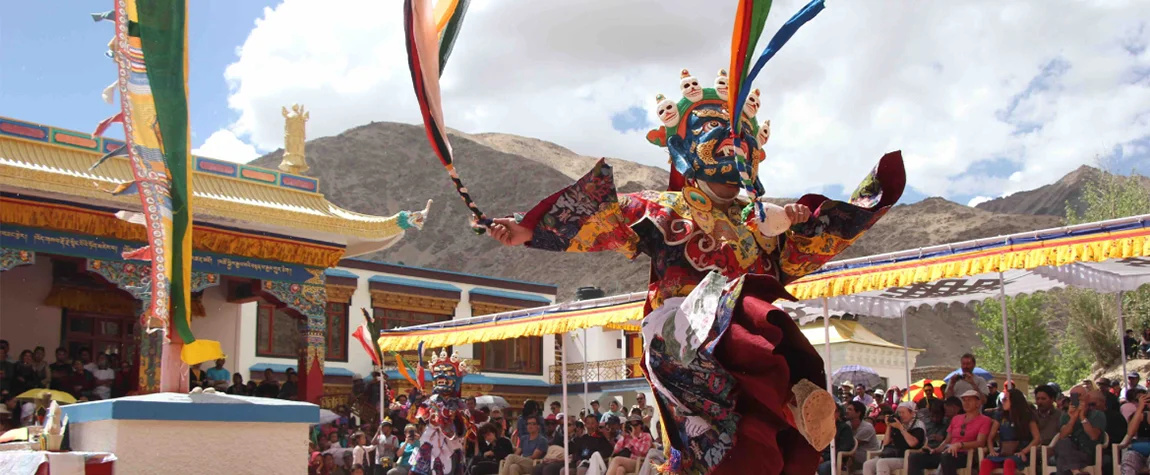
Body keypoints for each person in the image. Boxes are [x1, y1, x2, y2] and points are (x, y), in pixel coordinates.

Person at [481, 54, 906, 475]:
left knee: (749, 434)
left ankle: (793, 402)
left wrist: (805, 219)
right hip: (679, 339)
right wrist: (526, 229)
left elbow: (799, 253)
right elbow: (605, 219)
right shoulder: (664, 210)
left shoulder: (758, 222)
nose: (731, 152)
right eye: (715, 136)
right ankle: (785, 395)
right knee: (735, 308)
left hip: (738, 348)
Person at [907, 390, 992, 475]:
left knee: (947, 456)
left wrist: (959, 445)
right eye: (964, 400)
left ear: (978, 403)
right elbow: (947, 440)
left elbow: (980, 442)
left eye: (969, 400)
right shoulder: (956, 418)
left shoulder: (985, 420)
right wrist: (935, 450)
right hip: (948, 452)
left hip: (965, 454)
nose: (966, 403)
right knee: (914, 457)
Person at [980, 389, 1041, 475]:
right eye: (1002, 399)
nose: (1002, 402)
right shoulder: (1001, 415)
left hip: (1021, 452)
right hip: (1003, 452)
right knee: (985, 462)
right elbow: (990, 437)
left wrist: (1024, 451)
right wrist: (991, 450)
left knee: (1009, 462)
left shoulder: (1028, 416)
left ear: (1014, 400)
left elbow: (1037, 438)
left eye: (1005, 399)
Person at [1053, 390, 1107, 475]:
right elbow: (1063, 436)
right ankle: (1076, 471)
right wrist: (1073, 418)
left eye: (1080, 395)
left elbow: (1093, 436)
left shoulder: (1097, 414)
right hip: (1069, 450)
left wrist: (1082, 417)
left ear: (1087, 398)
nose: (1078, 398)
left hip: (1087, 451)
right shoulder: (1066, 416)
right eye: (1074, 396)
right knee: (1063, 442)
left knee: (1061, 461)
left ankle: (1075, 471)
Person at [863, 402, 925, 475]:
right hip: (894, 456)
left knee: (882, 463)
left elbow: (912, 443)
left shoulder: (918, 426)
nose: (901, 415)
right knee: (868, 464)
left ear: (912, 413)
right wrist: (889, 426)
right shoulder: (898, 424)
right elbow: (885, 443)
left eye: (903, 413)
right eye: (899, 413)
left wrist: (901, 428)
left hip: (908, 458)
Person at [817, 405, 856, 475]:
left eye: (832, 411)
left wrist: (824, 457)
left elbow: (845, 447)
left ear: (838, 413)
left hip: (835, 459)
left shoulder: (844, 428)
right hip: (818, 457)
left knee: (824, 467)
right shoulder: (820, 427)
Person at [1120, 393, 1150, 475]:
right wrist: (1140, 408)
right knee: (1128, 458)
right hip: (1140, 450)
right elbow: (1130, 433)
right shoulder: (1142, 415)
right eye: (1148, 400)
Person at [847, 400, 882, 466]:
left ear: (858, 413)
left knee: (843, 454)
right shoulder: (848, 424)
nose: (846, 411)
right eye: (847, 409)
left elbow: (852, 444)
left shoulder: (867, 427)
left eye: (850, 409)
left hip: (869, 456)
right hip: (855, 453)